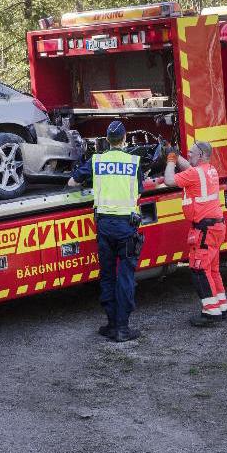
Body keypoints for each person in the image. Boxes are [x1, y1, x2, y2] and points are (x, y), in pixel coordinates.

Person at [67, 121, 150, 343]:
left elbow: (72, 182)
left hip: (103, 226)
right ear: (124, 140)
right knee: (125, 277)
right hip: (126, 227)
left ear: (107, 139)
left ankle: (112, 323)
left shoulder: (97, 160)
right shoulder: (134, 162)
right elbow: (140, 191)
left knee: (107, 275)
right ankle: (122, 327)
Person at [163, 141, 227, 327]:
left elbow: (169, 180)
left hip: (205, 230)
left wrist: (170, 160)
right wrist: (176, 154)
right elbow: (190, 167)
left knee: (199, 270)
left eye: (191, 153)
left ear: (200, 155)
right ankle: (221, 307)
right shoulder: (209, 170)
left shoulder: (194, 173)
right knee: (212, 269)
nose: (188, 155)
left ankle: (210, 312)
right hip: (215, 227)